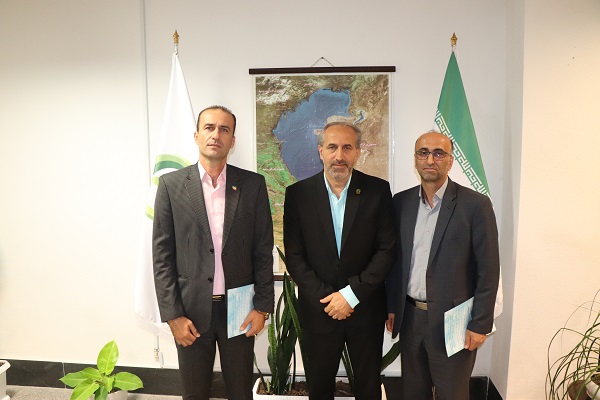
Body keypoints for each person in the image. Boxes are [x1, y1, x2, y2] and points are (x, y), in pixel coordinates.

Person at [152, 105, 274, 400]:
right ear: (196, 135)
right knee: (194, 393)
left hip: (240, 310)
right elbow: (162, 257)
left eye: (224, 129)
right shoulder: (171, 185)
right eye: (209, 127)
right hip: (190, 312)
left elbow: (262, 250)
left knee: (241, 392)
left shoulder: (253, 185)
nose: (216, 135)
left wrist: (262, 307)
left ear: (232, 140)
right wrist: (173, 315)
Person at [283, 121, 395, 400]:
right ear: (320, 151)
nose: (339, 155)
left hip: (365, 308)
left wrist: (350, 295)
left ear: (357, 152)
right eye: (332, 147)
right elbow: (294, 256)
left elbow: (386, 251)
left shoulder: (378, 191)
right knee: (319, 388)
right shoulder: (298, 195)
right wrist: (328, 299)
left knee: (368, 388)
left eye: (347, 147)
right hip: (319, 310)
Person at [386, 131, 500, 400]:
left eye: (438, 153)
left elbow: (488, 270)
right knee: (414, 394)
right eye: (423, 153)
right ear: (415, 159)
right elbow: (395, 261)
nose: (430, 160)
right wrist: (392, 306)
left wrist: (480, 323)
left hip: (454, 323)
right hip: (410, 318)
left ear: (450, 161)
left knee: (452, 394)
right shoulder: (400, 203)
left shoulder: (476, 205)